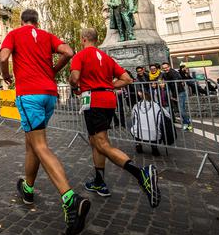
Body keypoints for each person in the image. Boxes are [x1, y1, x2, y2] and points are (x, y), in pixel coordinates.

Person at [0, 9, 89, 235]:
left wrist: (6, 75)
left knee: (40, 146)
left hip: (29, 94)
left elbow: (3, 57)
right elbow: (69, 51)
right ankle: (28, 190)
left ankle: (70, 199)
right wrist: (53, 70)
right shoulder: (46, 35)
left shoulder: (15, 34)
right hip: (49, 94)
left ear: (22, 21)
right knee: (32, 143)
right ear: (37, 21)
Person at [69, 28, 161, 208]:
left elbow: (75, 77)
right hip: (108, 100)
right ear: (95, 39)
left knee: (102, 143)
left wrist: (75, 84)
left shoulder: (80, 55)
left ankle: (141, 174)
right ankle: (99, 180)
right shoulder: (107, 58)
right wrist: (108, 85)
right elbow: (126, 79)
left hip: (94, 101)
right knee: (95, 140)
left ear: (84, 39)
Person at [130, 91, 170, 156]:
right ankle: (154, 147)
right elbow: (168, 115)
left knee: (132, 128)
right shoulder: (157, 105)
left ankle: (138, 144)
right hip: (155, 135)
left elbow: (132, 117)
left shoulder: (136, 106)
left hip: (139, 133)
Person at [160, 62, 191, 131]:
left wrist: (174, 95)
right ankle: (187, 122)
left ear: (169, 67)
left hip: (179, 93)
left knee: (181, 110)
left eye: (166, 67)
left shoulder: (173, 72)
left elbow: (176, 82)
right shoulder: (165, 74)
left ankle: (188, 125)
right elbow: (160, 79)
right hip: (175, 93)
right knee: (180, 110)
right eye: (163, 68)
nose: (165, 69)